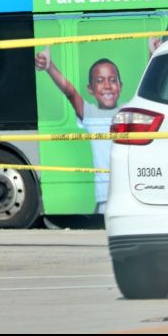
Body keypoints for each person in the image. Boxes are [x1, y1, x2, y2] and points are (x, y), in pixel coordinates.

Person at [35, 48, 122, 214]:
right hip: (104, 196)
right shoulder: (90, 114)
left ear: (120, 86)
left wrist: (152, 54)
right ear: (90, 89)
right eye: (100, 80)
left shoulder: (128, 110)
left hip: (126, 193)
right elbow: (70, 92)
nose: (107, 86)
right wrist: (49, 66)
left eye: (112, 80)